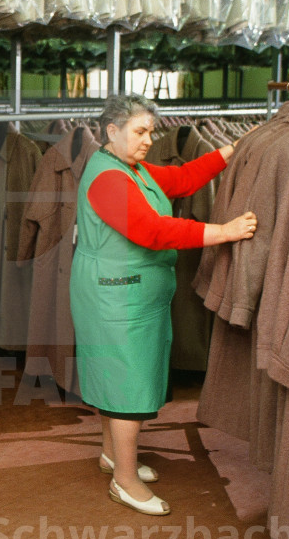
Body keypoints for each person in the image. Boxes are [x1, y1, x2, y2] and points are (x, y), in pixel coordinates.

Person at [70, 93, 256, 516]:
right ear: (111, 131)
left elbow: (180, 181)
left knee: (115, 378)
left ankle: (113, 456)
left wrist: (233, 149)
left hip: (127, 293)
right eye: (140, 131)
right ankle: (125, 480)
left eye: (151, 131)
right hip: (114, 296)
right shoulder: (107, 178)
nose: (149, 140)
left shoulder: (128, 166)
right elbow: (152, 231)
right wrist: (224, 231)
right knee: (127, 387)